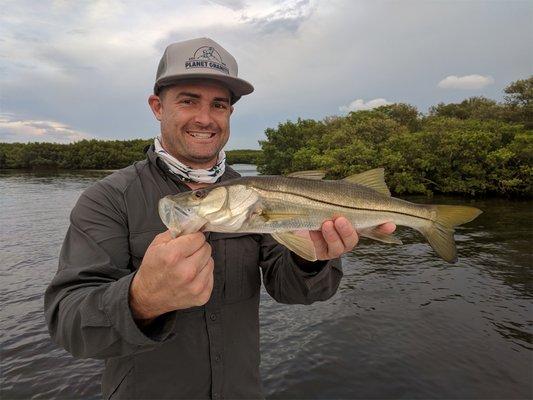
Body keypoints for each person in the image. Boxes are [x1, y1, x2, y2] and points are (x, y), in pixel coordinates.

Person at [44, 37, 396, 399]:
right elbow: (67, 323)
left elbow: (293, 292)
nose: (205, 118)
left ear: (230, 114)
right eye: (188, 100)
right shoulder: (107, 198)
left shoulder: (251, 193)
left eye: (219, 105)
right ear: (157, 106)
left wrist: (311, 261)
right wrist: (141, 299)